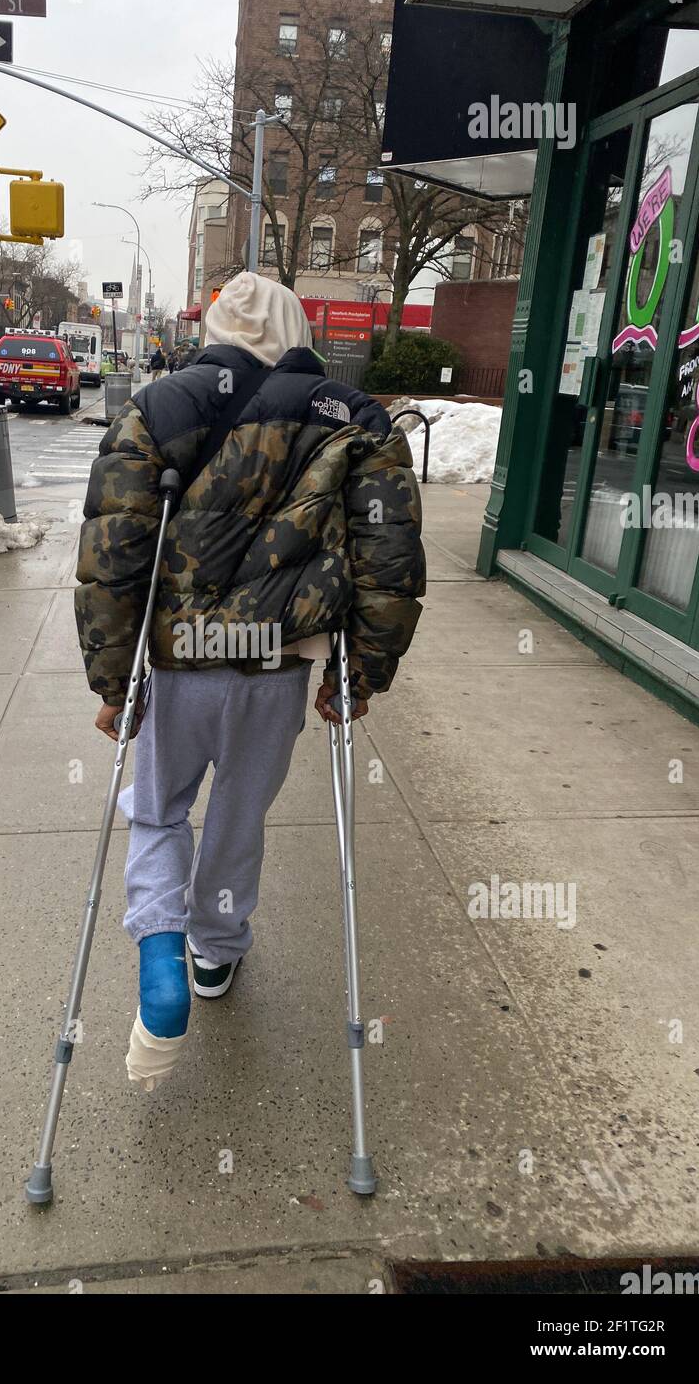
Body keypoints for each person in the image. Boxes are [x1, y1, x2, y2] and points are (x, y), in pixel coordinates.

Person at [74, 271, 425, 1090]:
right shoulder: (354, 416)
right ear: (300, 327)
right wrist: (363, 672)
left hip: (177, 661)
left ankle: (160, 947)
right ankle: (214, 953)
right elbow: (388, 557)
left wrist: (111, 683)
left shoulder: (159, 406)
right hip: (273, 664)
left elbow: (112, 557)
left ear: (217, 327)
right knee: (238, 813)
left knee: (159, 810)